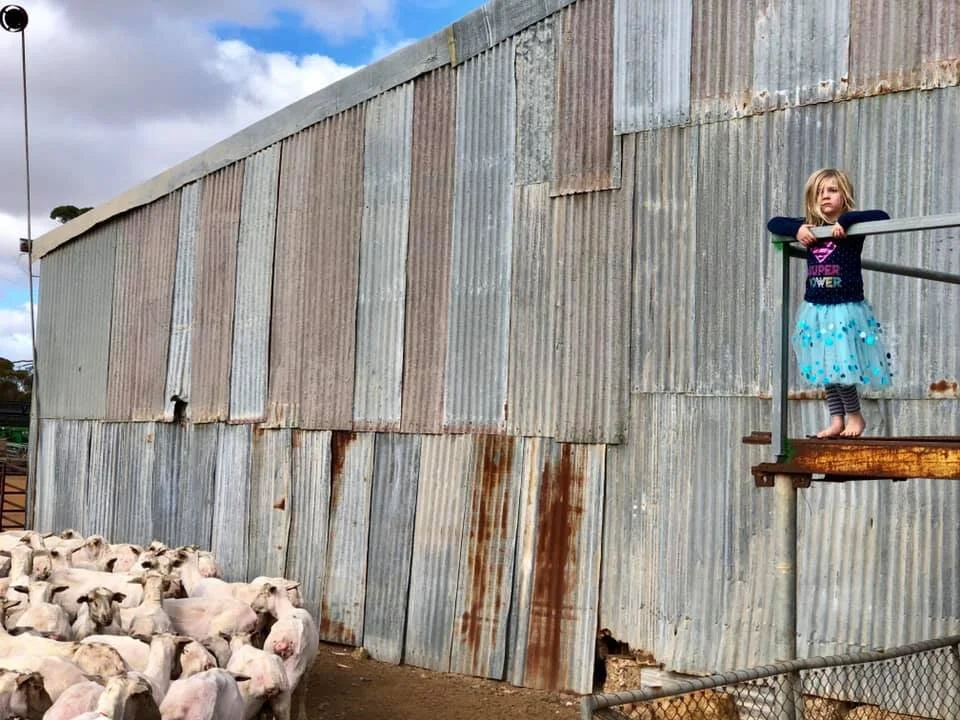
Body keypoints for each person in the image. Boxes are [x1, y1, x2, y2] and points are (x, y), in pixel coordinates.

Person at [767, 168, 893, 438]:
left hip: (844, 307)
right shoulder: (813, 228)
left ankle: (855, 417)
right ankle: (837, 419)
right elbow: (774, 222)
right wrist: (797, 229)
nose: (825, 196)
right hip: (816, 308)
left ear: (844, 195)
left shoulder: (852, 228)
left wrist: (846, 221)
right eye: (820, 192)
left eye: (832, 190)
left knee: (840, 365)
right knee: (825, 366)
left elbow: (883, 216)